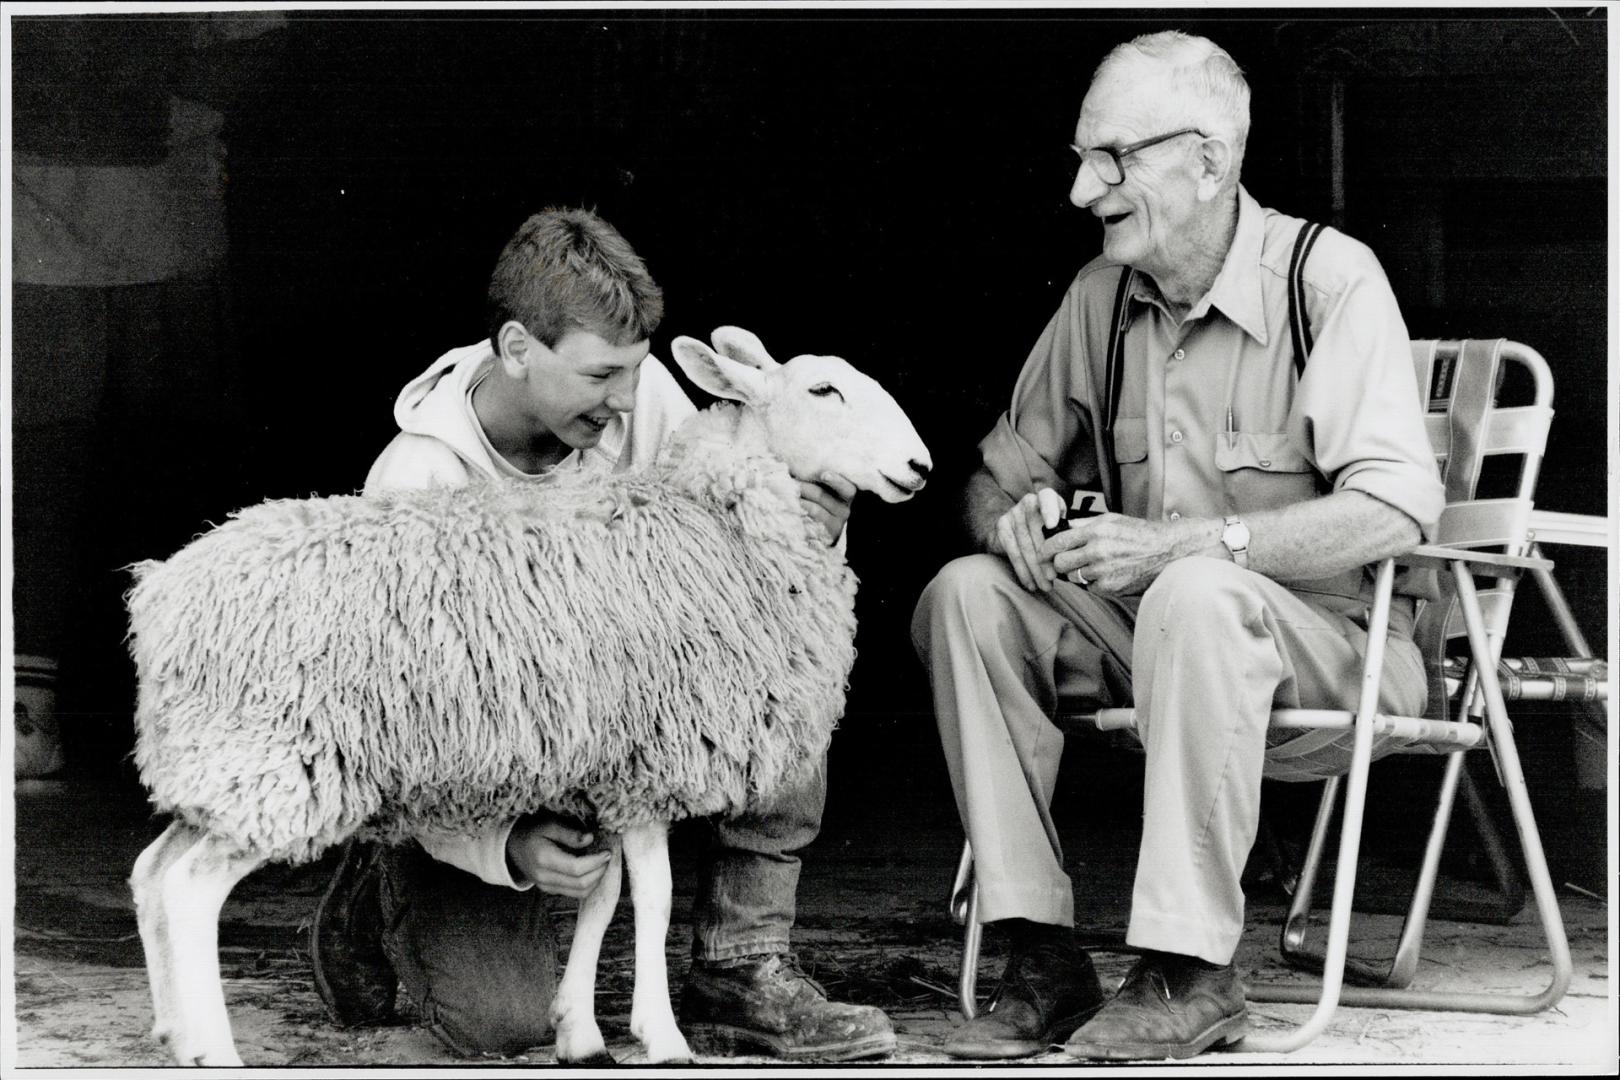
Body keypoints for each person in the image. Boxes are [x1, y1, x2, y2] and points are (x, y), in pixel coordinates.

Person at [910, 32, 1445, 1062]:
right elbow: (992, 478)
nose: (1082, 190)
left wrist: (1191, 545)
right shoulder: (1101, 302)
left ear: (1209, 159)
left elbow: (1396, 507)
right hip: (1155, 639)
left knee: (1199, 590)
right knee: (964, 594)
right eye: (1081, 158)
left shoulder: (1327, 282)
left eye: (1113, 159)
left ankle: (1190, 970)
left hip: (1336, 649)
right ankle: (1038, 951)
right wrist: (1007, 520)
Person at [311, 206, 897, 1062]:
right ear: (517, 350)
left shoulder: (639, 396)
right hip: (481, 778)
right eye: (597, 377)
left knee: (782, 666)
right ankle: (375, 882)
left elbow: (739, 549)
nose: (625, 399)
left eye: (635, 370)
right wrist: (500, 844)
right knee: (503, 1025)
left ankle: (744, 960)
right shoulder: (417, 481)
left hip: (618, 736)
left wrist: (816, 524)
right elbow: (393, 725)